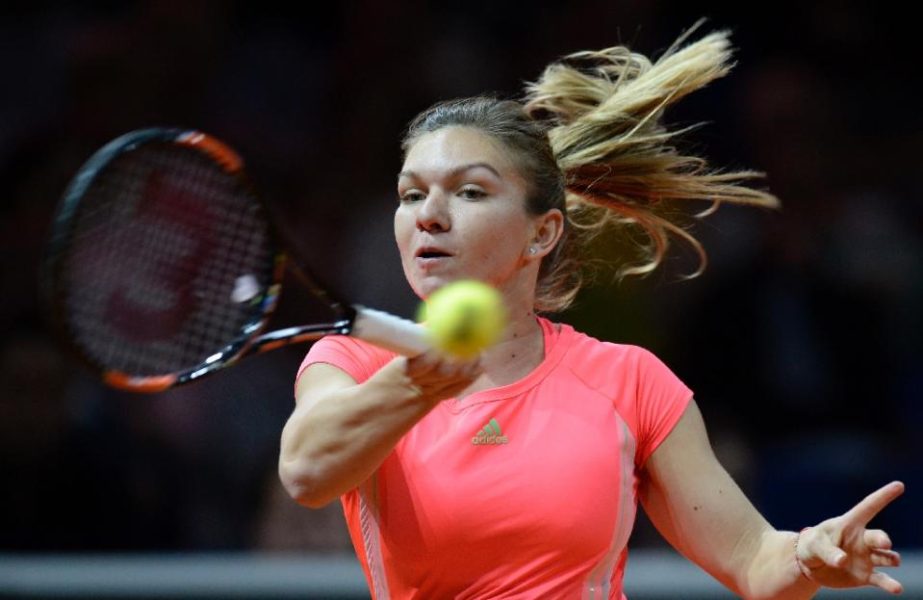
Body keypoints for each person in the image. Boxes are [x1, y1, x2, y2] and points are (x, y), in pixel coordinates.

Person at [278, 25, 905, 599]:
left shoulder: (628, 381)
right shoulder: (353, 361)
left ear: (542, 233)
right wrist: (416, 381)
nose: (429, 214)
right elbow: (307, 470)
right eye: (411, 194)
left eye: (469, 191)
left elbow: (750, 557)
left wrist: (806, 556)